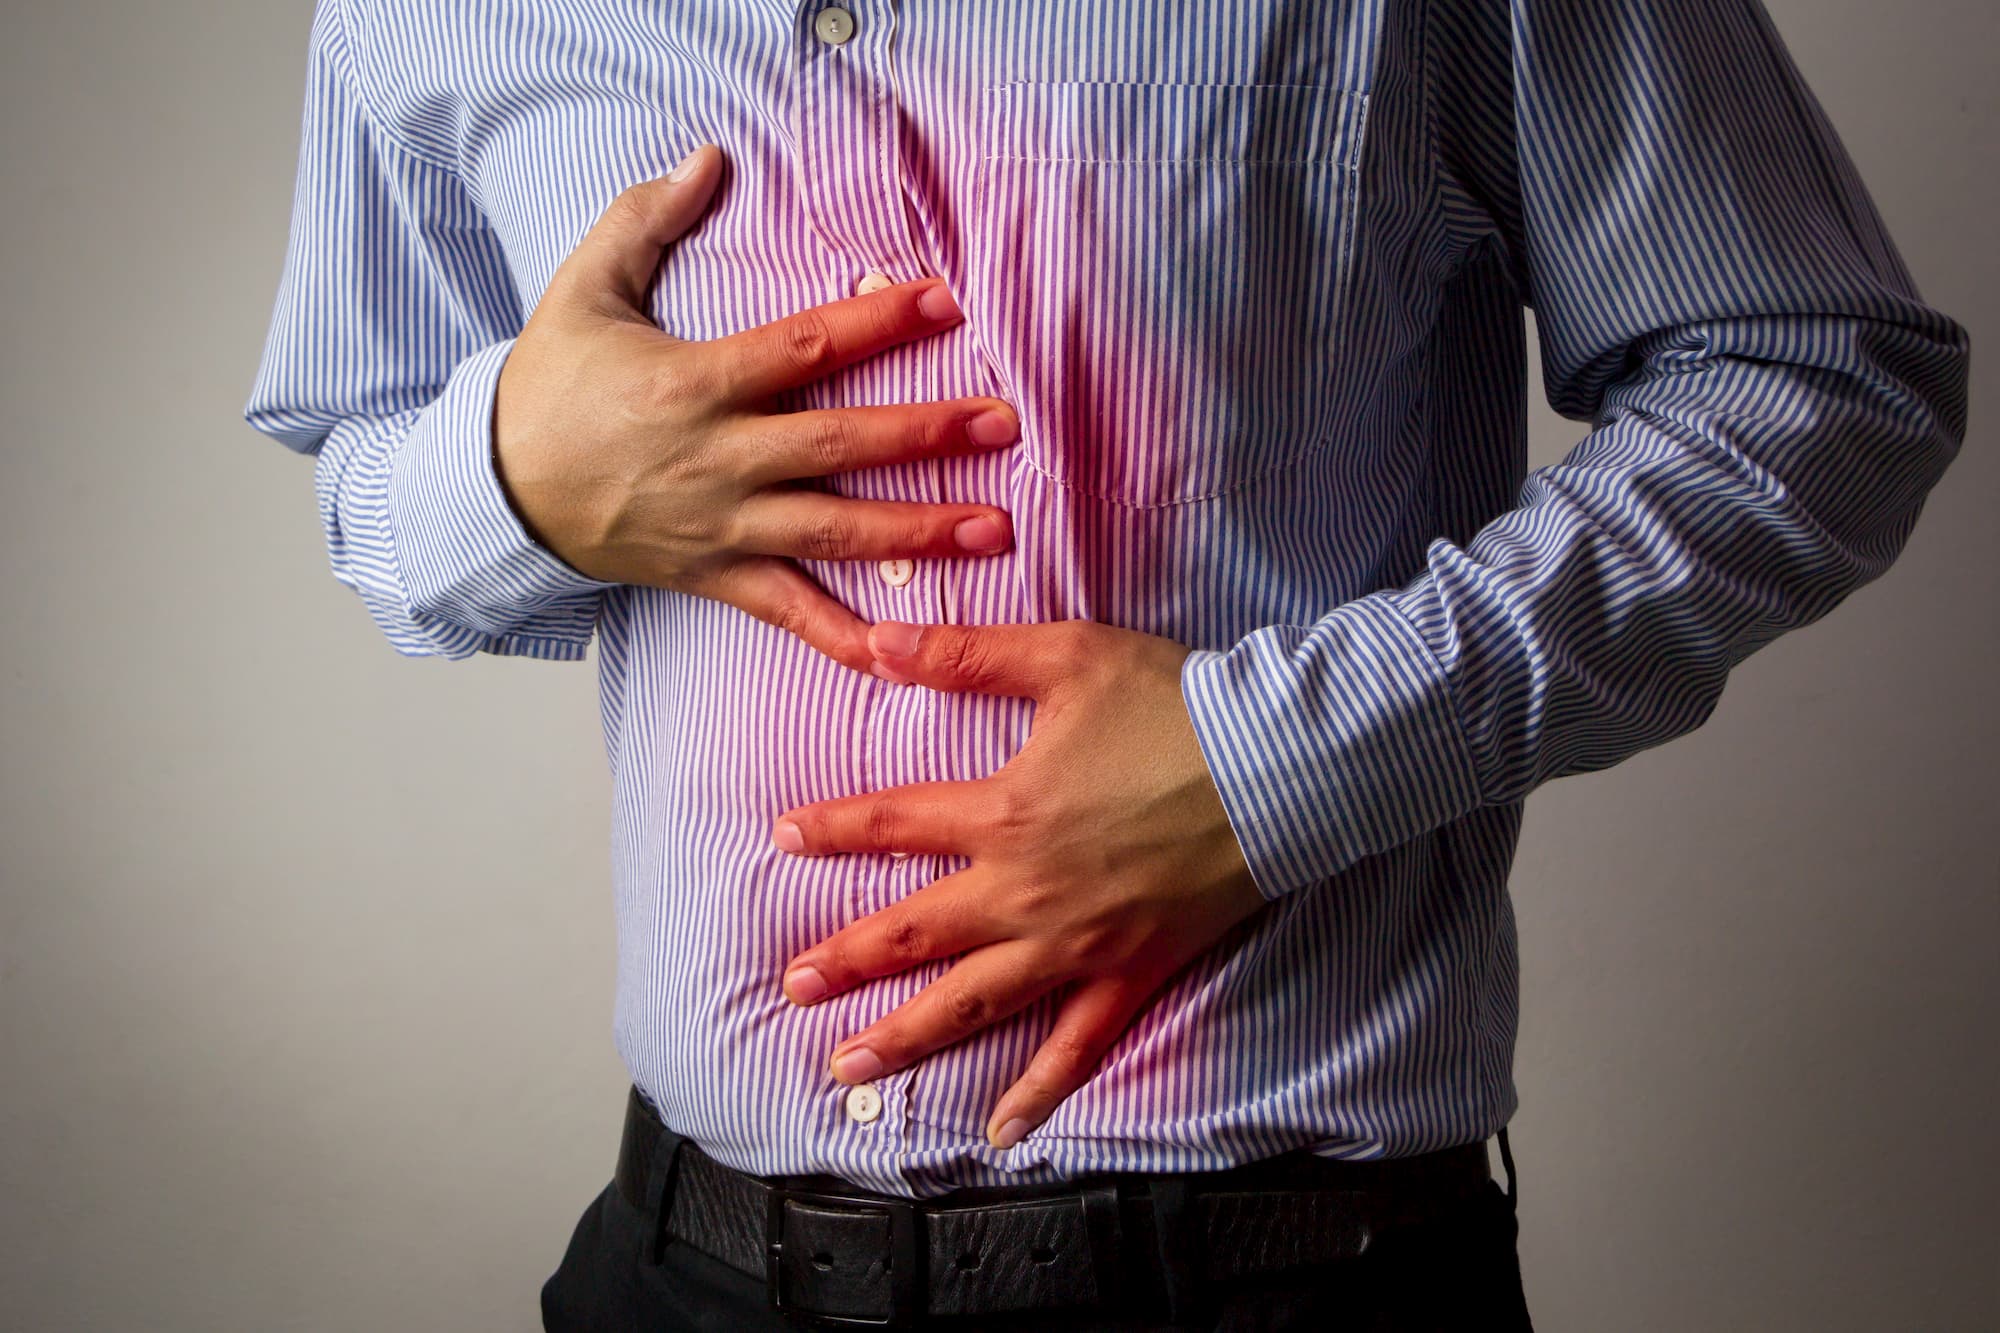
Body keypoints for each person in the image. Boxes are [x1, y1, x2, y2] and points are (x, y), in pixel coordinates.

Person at [243, 0, 1968, 1328]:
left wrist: (1269, 769)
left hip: (1285, 1275)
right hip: (683, 1269)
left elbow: (1816, 380)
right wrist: (514, 475)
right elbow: (362, 471)